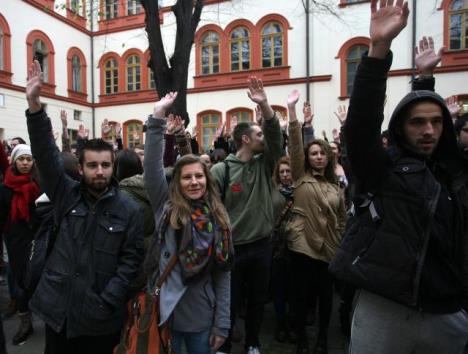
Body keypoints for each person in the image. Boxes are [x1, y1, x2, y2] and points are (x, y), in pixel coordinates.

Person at [329, 1, 468, 353]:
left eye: (437, 123)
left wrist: (424, 81)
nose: (429, 130)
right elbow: (360, 128)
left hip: (447, 310)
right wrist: (378, 50)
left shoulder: (456, 175)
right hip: (386, 307)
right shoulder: (383, 170)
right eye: (417, 123)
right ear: (400, 129)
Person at [25, 60, 144, 354]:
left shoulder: (129, 210)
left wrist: (107, 299)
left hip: (100, 320)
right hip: (59, 314)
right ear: (80, 168)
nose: (100, 171)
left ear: (113, 167)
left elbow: (130, 263)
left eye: (105, 165)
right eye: (93, 165)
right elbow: (46, 155)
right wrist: (34, 105)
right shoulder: (66, 194)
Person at [143, 91, 233, 354]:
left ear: (207, 180)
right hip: (165, 312)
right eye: (187, 178)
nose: (194, 182)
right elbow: (152, 169)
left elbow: (224, 275)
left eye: (199, 177)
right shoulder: (166, 207)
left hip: (201, 316)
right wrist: (158, 117)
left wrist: (222, 325)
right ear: (177, 183)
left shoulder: (218, 217)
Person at [211, 77, 283, 354]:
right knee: (229, 301)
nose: (264, 140)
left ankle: (253, 342)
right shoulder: (221, 171)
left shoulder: (264, 165)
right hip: (232, 249)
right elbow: (212, 211)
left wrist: (265, 105)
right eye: (259, 135)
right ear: (245, 139)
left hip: (262, 245)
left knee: (256, 301)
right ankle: (225, 345)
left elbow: (276, 138)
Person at [286, 89, 346, 354]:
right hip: (303, 246)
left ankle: (322, 338)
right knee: (300, 297)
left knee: (325, 298)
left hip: (329, 249)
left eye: (322, 153)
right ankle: (301, 339)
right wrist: (293, 114)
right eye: (314, 154)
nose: (318, 157)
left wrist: (339, 239)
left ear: (328, 157)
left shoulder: (335, 186)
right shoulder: (300, 176)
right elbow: (296, 148)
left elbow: (342, 217)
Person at [0, 144, 41, 345]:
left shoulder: (38, 184)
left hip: (38, 239)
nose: (25, 163)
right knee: (19, 284)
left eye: (29, 159)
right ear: (14, 161)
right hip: (15, 242)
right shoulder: (5, 188)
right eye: (21, 159)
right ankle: (25, 322)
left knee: (40, 280)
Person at [270, 156, 294, 343]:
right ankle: (280, 323)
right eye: (282, 172)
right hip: (277, 246)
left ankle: (292, 323)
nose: (285, 175)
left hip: (296, 245)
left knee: (294, 288)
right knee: (279, 287)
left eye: (288, 171)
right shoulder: (273, 192)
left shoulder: (299, 191)